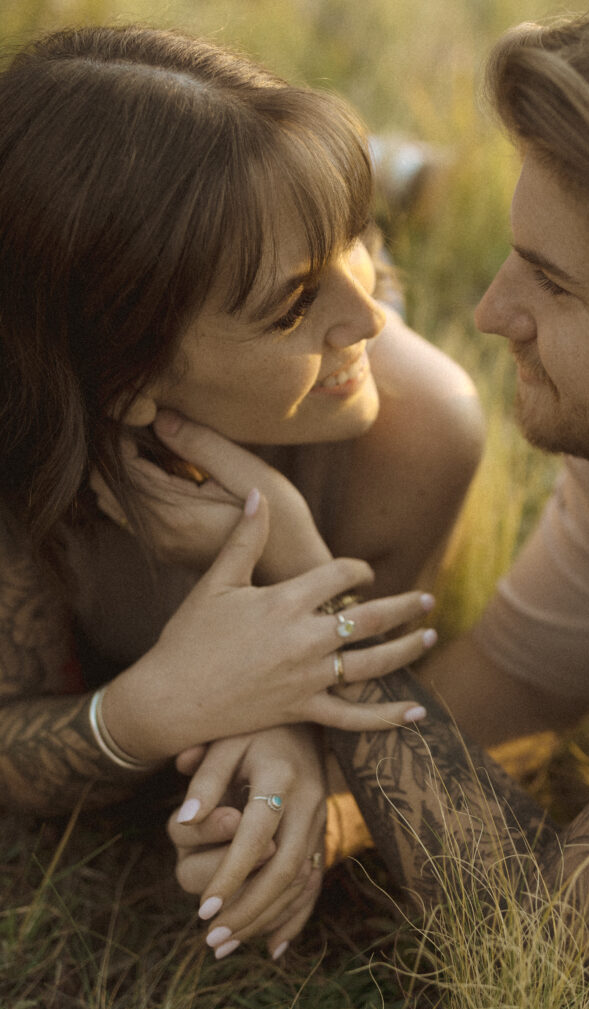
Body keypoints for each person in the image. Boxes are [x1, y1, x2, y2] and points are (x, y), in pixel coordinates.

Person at [190, 0, 589, 988]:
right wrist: (302, 794)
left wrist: (304, 576)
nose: (490, 313)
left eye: (553, 284)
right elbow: (525, 681)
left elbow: (548, 938)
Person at [0, 25, 483, 958]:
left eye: (358, 237)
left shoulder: (420, 421)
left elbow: (364, 681)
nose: (368, 317)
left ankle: (382, 177)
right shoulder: (24, 457)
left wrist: (288, 726)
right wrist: (147, 712)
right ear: (125, 382)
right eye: (294, 304)